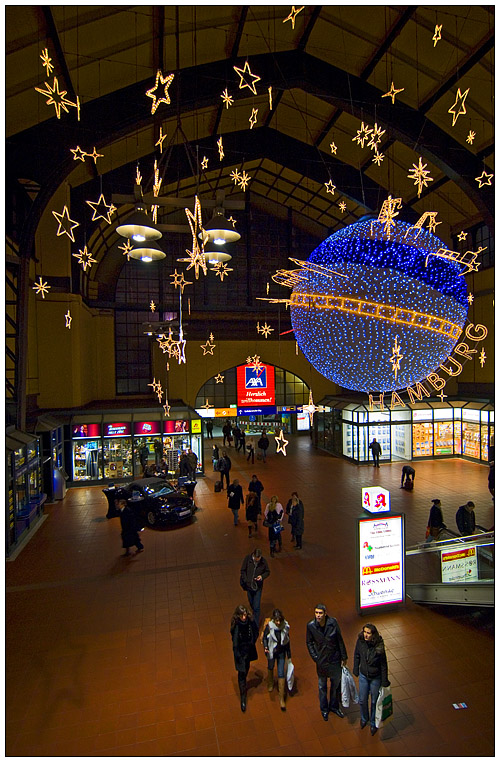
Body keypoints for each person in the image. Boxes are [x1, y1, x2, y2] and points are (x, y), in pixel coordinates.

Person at [306, 604, 347, 721]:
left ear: (325, 613)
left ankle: (334, 706)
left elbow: (339, 639)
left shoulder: (333, 623)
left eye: (320, 613)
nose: (318, 615)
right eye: (316, 613)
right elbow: (309, 642)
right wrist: (315, 657)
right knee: (322, 686)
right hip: (321, 661)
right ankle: (324, 709)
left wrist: (344, 656)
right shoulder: (311, 626)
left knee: (335, 686)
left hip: (334, 659)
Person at [353, 623, 390, 735]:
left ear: (373, 634)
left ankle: (373, 722)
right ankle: (364, 718)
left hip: (376, 678)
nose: (365, 635)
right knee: (362, 699)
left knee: (374, 701)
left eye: (368, 633)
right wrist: (356, 667)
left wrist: (384, 680)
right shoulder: (360, 641)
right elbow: (357, 655)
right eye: (364, 632)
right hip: (364, 675)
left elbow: (383, 664)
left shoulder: (378, 646)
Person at [230, 604, 259, 712]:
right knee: (241, 674)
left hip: (248, 650)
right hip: (240, 653)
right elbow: (235, 642)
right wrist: (238, 654)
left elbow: (255, 632)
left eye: (245, 615)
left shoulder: (250, 622)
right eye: (242, 615)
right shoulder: (236, 625)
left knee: (246, 669)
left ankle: (243, 685)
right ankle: (243, 696)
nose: (244, 617)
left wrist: (252, 643)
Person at [262, 608, 292, 711]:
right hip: (271, 651)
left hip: (281, 653)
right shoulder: (270, 627)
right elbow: (264, 638)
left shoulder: (285, 627)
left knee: (281, 673)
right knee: (270, 666)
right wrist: (266, 647)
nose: (278, 623)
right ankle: (270, 682)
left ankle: (281, 697)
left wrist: (289, 656)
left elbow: (287, 641)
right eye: (276, 620)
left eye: (280, 620)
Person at [240, 548, 270, 625]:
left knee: (256, 607)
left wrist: (262, 577)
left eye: (259, 558)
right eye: (256, 558)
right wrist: (246, 580)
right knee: (251, 602)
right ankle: (253, 613)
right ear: (253, 556)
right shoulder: (248, 559)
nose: (257, 560)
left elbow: (267, 572)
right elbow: (243, 570)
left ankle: (255, 624)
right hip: (249, 586)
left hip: (258, 587)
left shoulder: (263, 562)